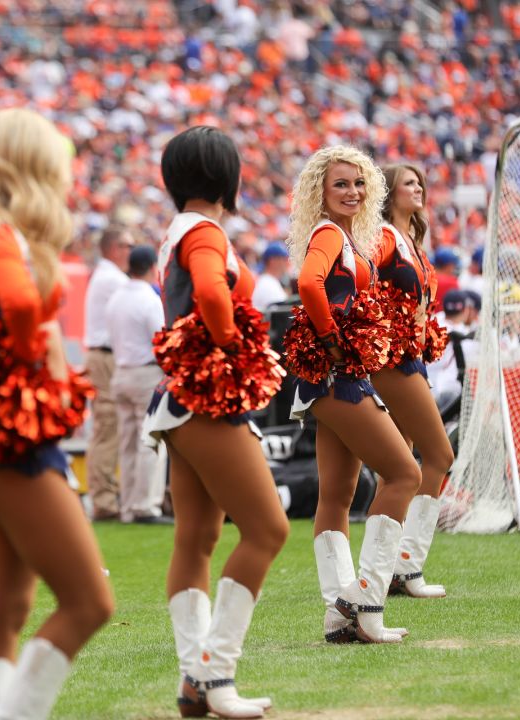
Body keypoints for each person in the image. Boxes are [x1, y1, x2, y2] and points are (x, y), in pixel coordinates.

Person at [0, 108, 113, 720]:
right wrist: (35, 358)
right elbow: (16, 304)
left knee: (7, 610)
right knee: (90, 601)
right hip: (9, 438)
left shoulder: (1, 232)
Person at [145, 126, 289, 718]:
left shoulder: (177, 230)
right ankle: (214, 673)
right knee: (267, 529)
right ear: (227, 176)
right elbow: (210, 291)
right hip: (206, 399)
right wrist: (234, 345)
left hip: (181, 401)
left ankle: (192, 681)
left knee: (198, 537)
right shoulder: (204, 231)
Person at [284, 145, 422, 645]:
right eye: (340, 183)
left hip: (330, 378)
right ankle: (365, 600)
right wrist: (332, 341)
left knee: (337, 495)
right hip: (335, 377)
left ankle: (338, 613)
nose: (352, 192)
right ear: (320, 190)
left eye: (359, 183)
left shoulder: (348, 235)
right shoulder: (327, 233)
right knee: (405, 471)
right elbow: (308, 283)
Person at [370, 164, 456, 599]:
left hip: (412, 358)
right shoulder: (383, 236)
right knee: (439, 454)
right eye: (408, 183)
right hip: (394, 362)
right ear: (389, 192)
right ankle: (407, 566)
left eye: (421, 181)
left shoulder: (413, 240)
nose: (418, 188)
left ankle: (384, 570)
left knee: (397, 466)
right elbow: (364, 287)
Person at [106, 244, 170, 525]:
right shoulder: (148, 298)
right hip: (145, 373)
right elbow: (161, 341)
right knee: (150, 440)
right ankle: (145, 506)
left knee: (128, 442)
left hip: (120, 372)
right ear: (152, 267)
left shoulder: (116, 296)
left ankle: (129, 504)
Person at [83, 225, 131, 520]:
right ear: (114, 248)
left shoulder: (106, 276)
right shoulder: (112, 278)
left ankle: (106, 494)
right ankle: (102, 499)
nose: (130, 251)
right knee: (107, 427)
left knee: (109, 427)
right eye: (126, 246)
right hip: (104, 357)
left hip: (105, 355)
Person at [428, 289, 481, 412]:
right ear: (465, 310)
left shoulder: (432, 320)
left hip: (420, 384)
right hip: (443, 390)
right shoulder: (462, 335)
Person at [250, 241, 291, 312]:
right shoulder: (268, 284)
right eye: (284, 259)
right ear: (273, 261)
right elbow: (279, 318)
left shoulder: (269, 281)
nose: (288, 262)